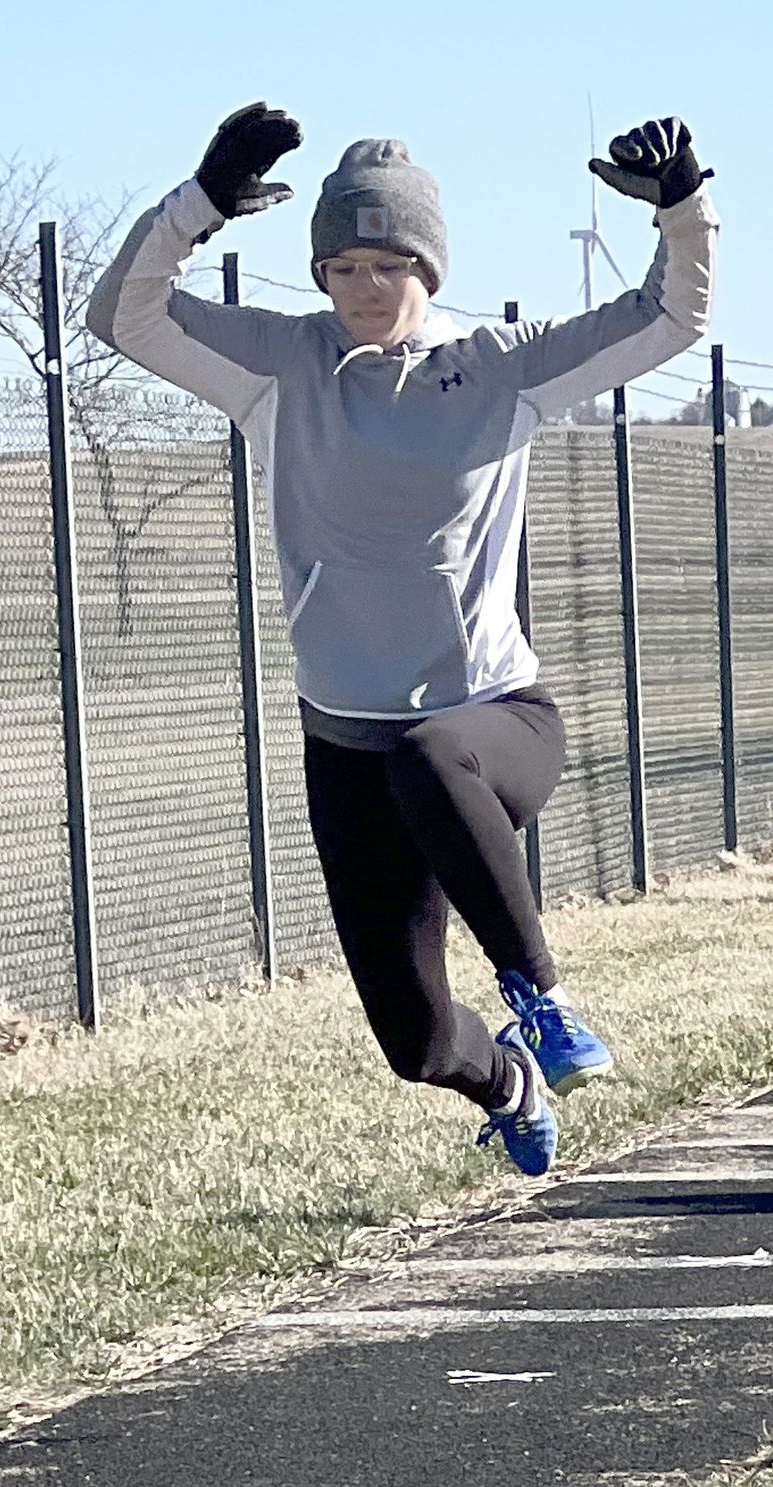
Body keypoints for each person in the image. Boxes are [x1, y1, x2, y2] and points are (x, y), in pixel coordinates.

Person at [87, 107, 718, 1177]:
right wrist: (197, 203)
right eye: (340, 266)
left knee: (435, 755)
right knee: (414, 1041)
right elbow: (125, 315)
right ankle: (505, 1074)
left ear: (428, 263)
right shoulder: (279, 366)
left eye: (388, 263)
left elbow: (671, 320)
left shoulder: (501, 369)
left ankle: (542, 998)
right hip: (348, 745)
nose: (364, 289)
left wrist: (684, 211)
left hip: (494, 722)